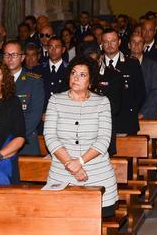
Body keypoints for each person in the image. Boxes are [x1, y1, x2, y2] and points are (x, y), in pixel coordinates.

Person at [44, 56, 118, 218]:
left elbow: (104, 139)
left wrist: (80, 162)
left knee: (96, 223)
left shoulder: (102, 102)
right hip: (62, 173)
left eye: (82, 75)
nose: (76, 77)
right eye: (73, 73)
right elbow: (50, 136)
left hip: (97, 174)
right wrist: (71, 165)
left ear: (90, 81)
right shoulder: (55, 100)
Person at [2, 40, 45, 155]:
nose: (10, 58)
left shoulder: (34, 81)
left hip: (25, 143)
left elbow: (34, 116)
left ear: (22, 58)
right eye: (7, 54)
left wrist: (13, 138)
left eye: (14, 55)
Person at [102, 30, 146, 136]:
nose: (109, 45)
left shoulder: (132, 64)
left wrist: (131, 112)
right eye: (106, 41)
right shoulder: (96, 64)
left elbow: (140, 93)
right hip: (102, 123)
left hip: (126, 121)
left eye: (113, 41)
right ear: (101, 44)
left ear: (119, 42)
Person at [129, 32, 157, 119]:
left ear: (144, 46)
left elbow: (155, 92)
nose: (136, 44)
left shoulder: (153, 66)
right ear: (129, 45)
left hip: (148, 113)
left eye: (140, 42)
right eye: (133, 42)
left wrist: (142, 113)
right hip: (127, 114)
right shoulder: (122, 65)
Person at [41, 38, 70, 106]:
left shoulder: (70, 70)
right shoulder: (38, 70)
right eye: (50, 47)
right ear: (47, 49)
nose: (53, 50)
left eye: (57, 47)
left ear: (63, 50)